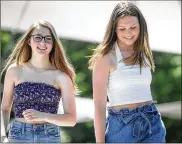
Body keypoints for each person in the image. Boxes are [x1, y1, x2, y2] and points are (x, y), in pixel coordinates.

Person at [89, 1, 166, 143]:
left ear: (141, 27)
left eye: (133, 27)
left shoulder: (144, 52)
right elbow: (99, 106)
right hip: (121, 127)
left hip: (152, 122)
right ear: (114, 29)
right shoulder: (105, 57)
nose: (128, 33)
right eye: (122, 29)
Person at [1, 20, 77, 143]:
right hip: (18, 135)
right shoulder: (14, 70)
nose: (42, 42)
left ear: (53, 44)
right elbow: (4, 109)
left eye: (48, 39)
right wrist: (2, 136)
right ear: (28, 41)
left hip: (49, 136)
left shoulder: (61, 77)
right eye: (38, 37)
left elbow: (71, 119)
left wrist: (44, 116)